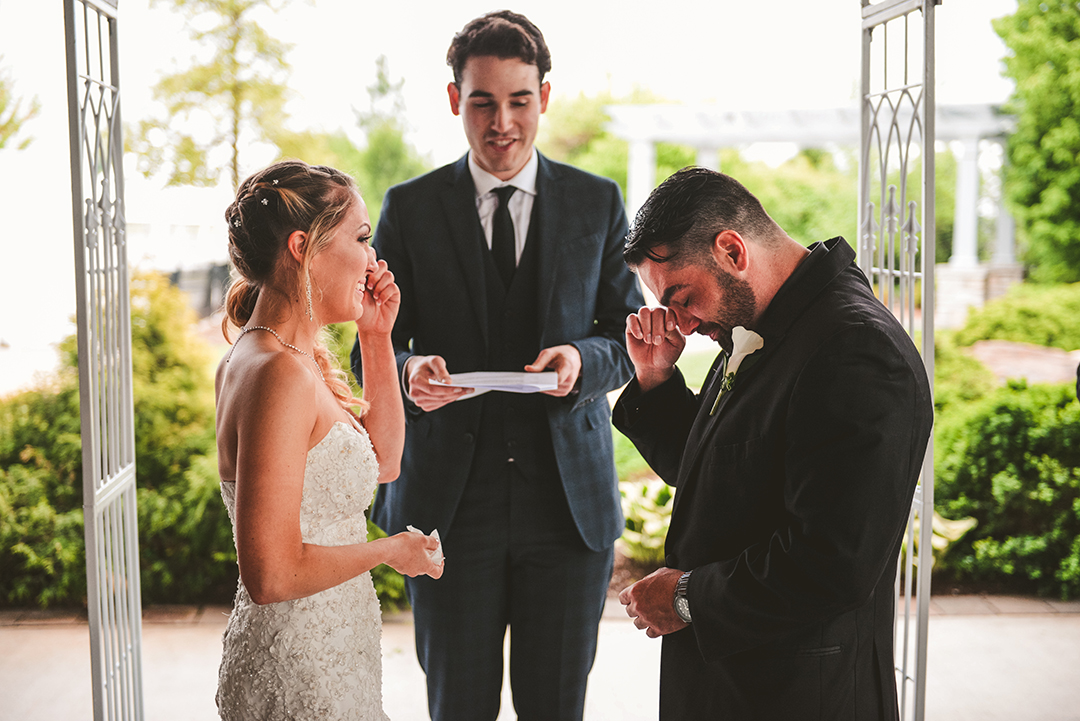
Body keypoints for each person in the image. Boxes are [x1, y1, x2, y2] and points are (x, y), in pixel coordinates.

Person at [350, 11, 644, 721]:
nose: (501, 122)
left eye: (518, 100)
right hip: (448, 512)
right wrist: (410, 368)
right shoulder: (410, 209)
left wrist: (581, 358)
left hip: (566, 512)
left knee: (557, 708)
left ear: (544, 96)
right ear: (456, 100)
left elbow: (628, 338)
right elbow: (373, 343)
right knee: (458, 707)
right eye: (482, 101)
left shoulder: (596, 202)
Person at [613, 167, 934, 720]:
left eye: (682, 297)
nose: (681, 325)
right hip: (737, 685)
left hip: (800, 694)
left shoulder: (856, 350)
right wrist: (658, 381)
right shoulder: (763, 322)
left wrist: (687, 598)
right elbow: (721, 477)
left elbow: (832, 561)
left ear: (731, 250)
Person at [214, 159, 443, 720]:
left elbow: (384, 461)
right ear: (302, 246)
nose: (373, 257)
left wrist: (377, 334)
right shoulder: (278, 373)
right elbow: (270, 575)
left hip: (331, 646)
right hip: (299, 667)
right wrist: (393, 551)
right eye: (361, 238)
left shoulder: (285, 355)